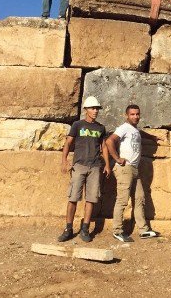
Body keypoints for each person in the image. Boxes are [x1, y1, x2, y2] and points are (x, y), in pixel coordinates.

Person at [57, 96, 110, 243]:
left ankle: (85, 228)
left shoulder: (100, 128)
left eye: (97, 109)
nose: (95, 111)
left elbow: (104, 146)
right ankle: (68, 229)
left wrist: (106, 164)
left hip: (95, 167)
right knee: (73, 198)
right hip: (79, 166)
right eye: (93, 108)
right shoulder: (77, 125)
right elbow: (68, 143)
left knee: (91, 199)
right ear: (86, 110)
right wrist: (64, 160)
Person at [106, 105, 158, 242]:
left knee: (140, 198)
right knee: (122, 200)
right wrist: (117, 158)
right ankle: (117, 230)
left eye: (137, 114)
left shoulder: (134, 130)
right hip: (125, 168)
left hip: (134, 169)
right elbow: (109, 141)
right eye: (132, 114)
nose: (135, 117)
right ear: (126, 115)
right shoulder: (123, 128)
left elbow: (139, 133)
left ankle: (143, 230)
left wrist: (152, 137)